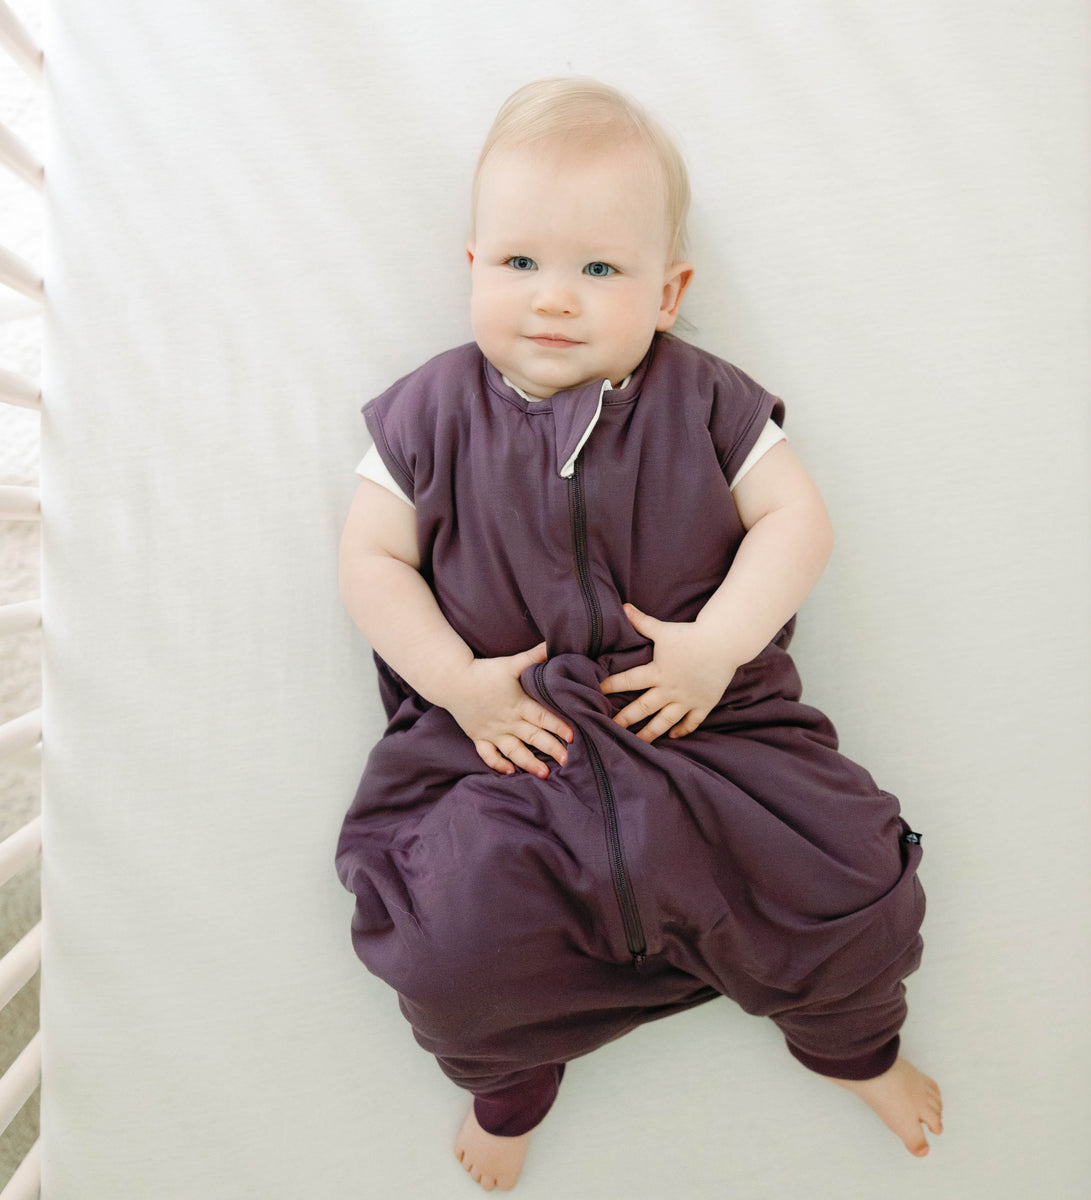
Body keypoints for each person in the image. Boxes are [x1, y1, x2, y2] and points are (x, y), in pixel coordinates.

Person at [335, 76, 942, 1192]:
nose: (553, 298)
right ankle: (512, 1083)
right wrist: (456, 684)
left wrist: (719, 645)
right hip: (507, 745)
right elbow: (370, 561)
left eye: (600, 269)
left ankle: (852, 1046)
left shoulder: (708, 402)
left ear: (668, 292)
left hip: (706, 724)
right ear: (470, 266)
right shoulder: (424, 415)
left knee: (855, 876)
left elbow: (796, 523)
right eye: (520, 262)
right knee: (446, 938)